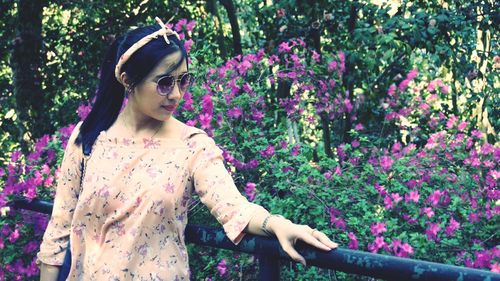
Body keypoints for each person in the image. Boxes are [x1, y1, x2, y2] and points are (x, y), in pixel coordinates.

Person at [36, 17, 338, 280]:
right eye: (165, 83)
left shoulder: (192, 146)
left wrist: (279, 225)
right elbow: (59, 228)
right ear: (128, 81)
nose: (177, 94)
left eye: (184, 80)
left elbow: (233, 206)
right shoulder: (89, 137)